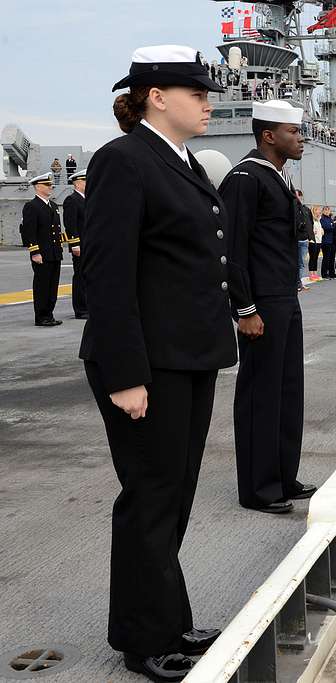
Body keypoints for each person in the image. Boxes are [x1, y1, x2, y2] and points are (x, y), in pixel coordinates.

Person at [78, 44, 236, 682]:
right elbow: (107, 274)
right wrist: (125, 374)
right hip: (146, 364)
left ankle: (166, 617)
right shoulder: (124, 160)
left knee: (174, 495)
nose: (208, 102)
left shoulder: (181, 161)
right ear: (156, 97)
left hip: (185, 357)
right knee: (150, 496)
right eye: (197, 93)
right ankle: (144, 641)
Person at [220, 99, 316, 516]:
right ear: (268, 135)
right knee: (261, 391)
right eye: (293, 132)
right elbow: (232, 248)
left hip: (284, 295)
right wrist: (244, 309)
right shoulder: (245, 177)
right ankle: (259, 488)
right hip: (261, 302)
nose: (301, 139)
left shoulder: (276, 176)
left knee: (287, 388)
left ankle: (282, 473)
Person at [22, 172, 63, 326]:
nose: (50, 186)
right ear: (38, 187)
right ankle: (41, 317)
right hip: (42, 254)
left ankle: (49, 314)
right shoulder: (32, 206)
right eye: (47, 185)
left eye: (50, 184)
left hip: (54, 253)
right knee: (42, 286)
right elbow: (29, 231)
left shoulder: (52, 205)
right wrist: (35, 252)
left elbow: (56, 230)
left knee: (53, 286)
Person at [63, 169, 88, 319]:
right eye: (85, 181)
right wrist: (74, 244)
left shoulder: (87, 199)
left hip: (90, 245)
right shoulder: (71, 200)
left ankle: (88, 306)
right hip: (80, 245)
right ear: (77, 183)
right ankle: (80, 309)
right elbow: (70, 224)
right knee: (79, 277)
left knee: (88, 277)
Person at [295, 188, 311, 290]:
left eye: (299, 196)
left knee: (301, 263)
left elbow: (310, 224)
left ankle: (299, 283)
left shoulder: (306, 209)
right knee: (294, 262)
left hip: (304, 240)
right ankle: (295, 283)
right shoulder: (292, 208)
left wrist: (311, 237)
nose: (298, 197)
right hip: (295, 239)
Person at [319, 206, 336, 278]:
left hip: (332, 241)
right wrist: (332, 225)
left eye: (328, 210)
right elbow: (326, 227)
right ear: (323, 211)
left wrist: (332, 225)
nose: (327, 211)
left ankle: (332, 273)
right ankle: (324, 273)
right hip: (326, 241)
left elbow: (333, 227)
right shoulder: (322, 219)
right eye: (325, 210)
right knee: (326, 258)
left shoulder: (330, 219)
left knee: (332, 258)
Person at [307, 205, 323, 281]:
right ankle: (311, 274)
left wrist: (322, 230)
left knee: (316, 258)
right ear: (314, 211)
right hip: (313, 241)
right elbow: (309, 229)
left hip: (319, 241)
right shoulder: (311, 220)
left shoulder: (319, 220)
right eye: (318, 210)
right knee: (312, 258)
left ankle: (315, 273)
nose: (319, 212)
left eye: (320, 210)